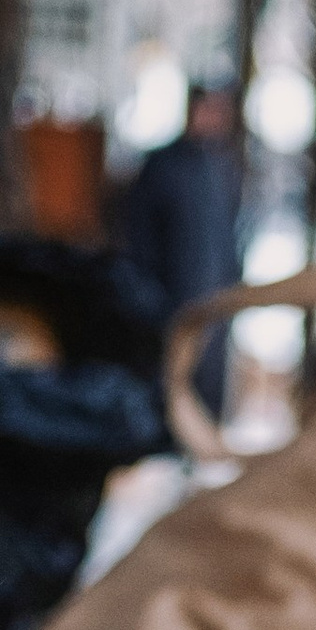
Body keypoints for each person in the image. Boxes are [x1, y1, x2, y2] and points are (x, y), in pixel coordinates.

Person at [114, 79, 243, 412]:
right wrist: (150, 300)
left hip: (211, 312)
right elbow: (138, 239)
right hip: (169, 310)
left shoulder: (221, 168)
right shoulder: (162, 166)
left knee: (204, 402)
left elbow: (228, 238)